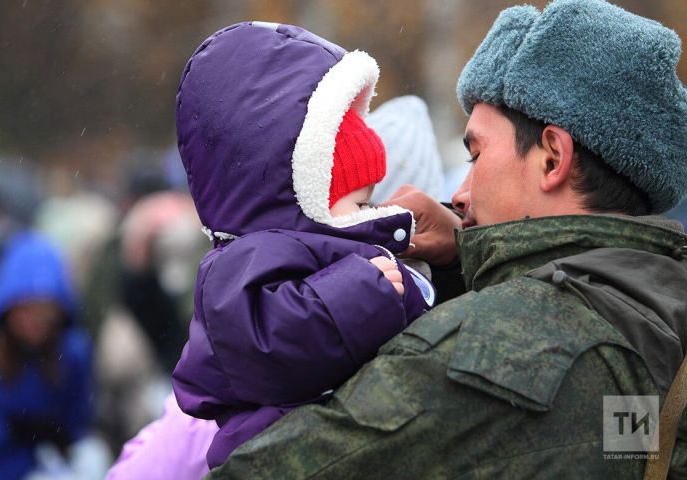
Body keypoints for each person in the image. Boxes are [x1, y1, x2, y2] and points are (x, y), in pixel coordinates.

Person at [208, 1, 687, 478]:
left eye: (475, 155)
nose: (458, 194)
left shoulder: (500, 349)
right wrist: (464, 260)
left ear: (551, 158)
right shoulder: (655, 307)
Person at [170, 22, 434, 468]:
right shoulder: (242, 260)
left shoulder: (313, 249)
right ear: (301, 184)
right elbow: (258, 344)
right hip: (277, 453)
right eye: (357, 202)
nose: (368, 215)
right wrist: (363, 291)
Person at [0, 231, 94, 480]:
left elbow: (78, 423)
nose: (36, 323)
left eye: (47, 313)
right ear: (6, 306)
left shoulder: (70, 352)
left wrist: (57, 436)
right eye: (27, 310)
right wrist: (7, 429)